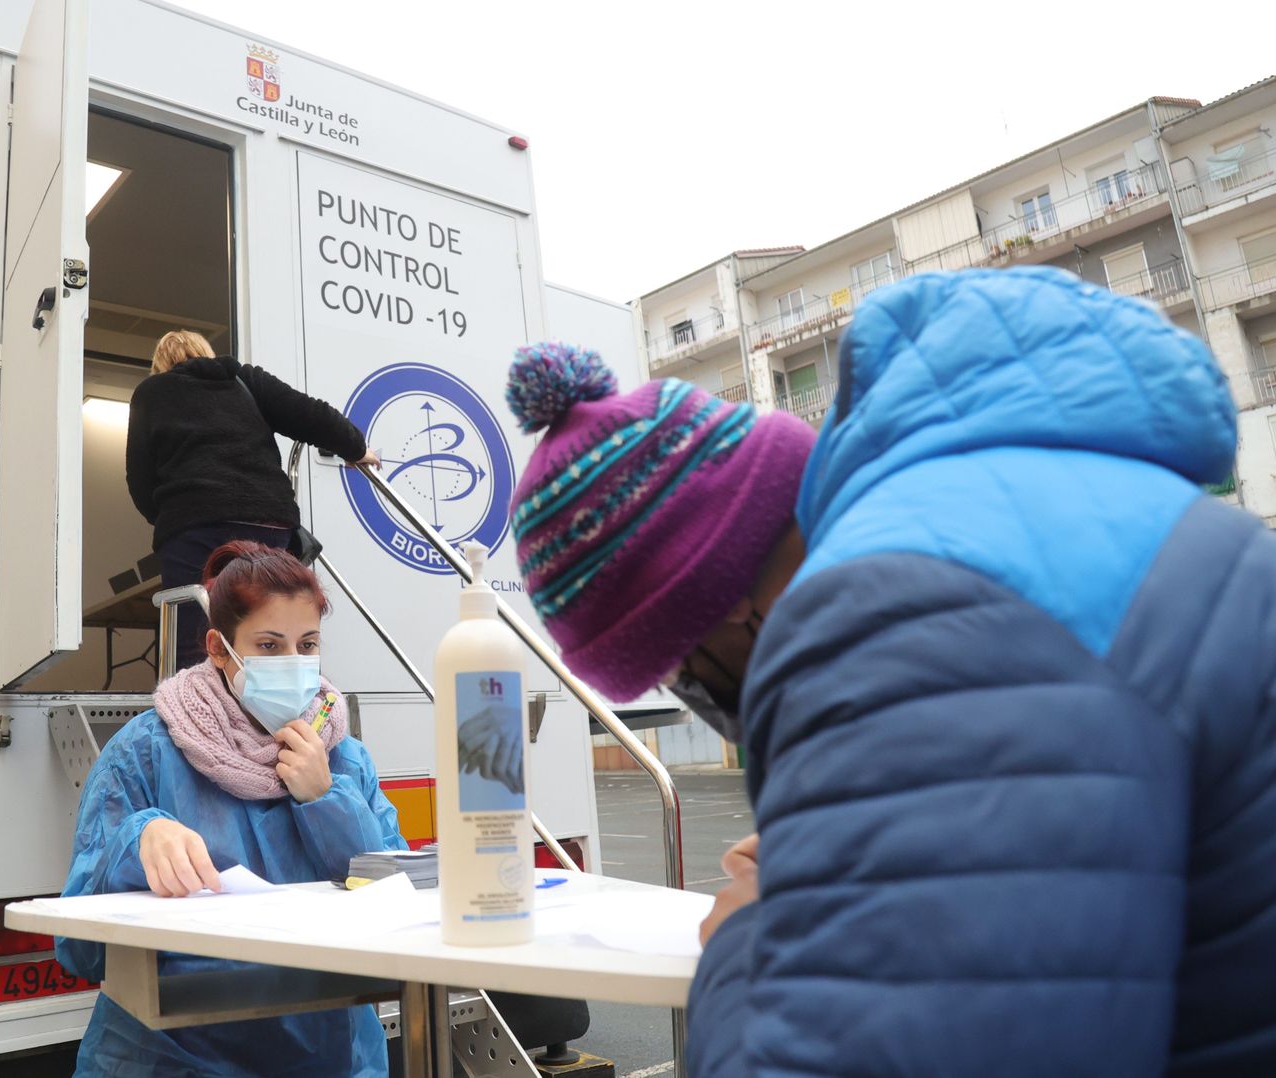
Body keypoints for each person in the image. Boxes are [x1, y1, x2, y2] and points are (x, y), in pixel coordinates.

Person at [502, 266, 1276, 1076]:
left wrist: (748, 938)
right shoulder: (1003, 512)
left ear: (715, 605)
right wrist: (844, 857)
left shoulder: (899, 621)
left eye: (680, 676)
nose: (703, 704)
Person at [56, 541, 408, 1077]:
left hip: (329, 1057)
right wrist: (137, 840)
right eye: (269, 646)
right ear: (219, 649)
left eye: (307, 644)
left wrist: (326, 798)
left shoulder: (342, 758)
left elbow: (398, 905)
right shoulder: (146, 751)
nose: (293, 664)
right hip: (173, 1059)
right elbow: (80, 950)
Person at [126, 330, 380, 670]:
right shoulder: (243, 380)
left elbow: (140, 479)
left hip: (193, 526)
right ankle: (272, 698)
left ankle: (194, 702)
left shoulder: (151, 393)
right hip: (266, 520)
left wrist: (170, 517)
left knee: (193, 635)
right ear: (207, 353)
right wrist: (356, 448)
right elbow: (310, 414)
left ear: (160, 364)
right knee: (269, 625)